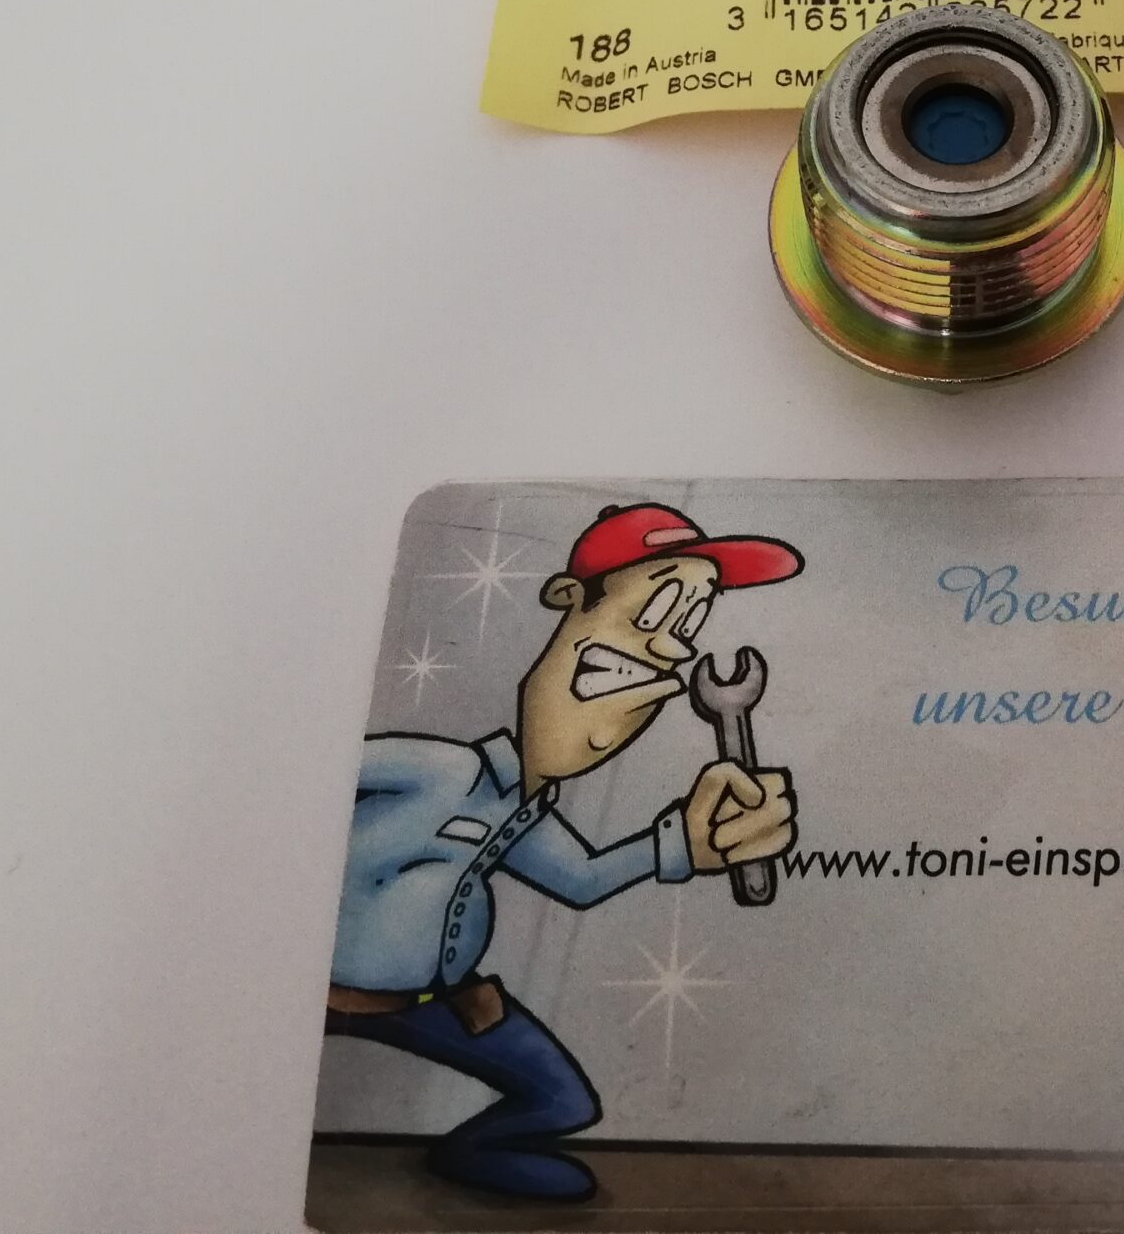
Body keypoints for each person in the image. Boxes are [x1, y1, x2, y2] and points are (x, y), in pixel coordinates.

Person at [326, 502, 802, 1201]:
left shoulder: (524, 813)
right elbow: (313, 779)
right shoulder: (438, 770)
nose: (671, 646)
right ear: (568, 599)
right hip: (315, 995)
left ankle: (469, 1156)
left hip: (442, 1005)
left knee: (566, 1103)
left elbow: (580, 878)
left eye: (690, 620)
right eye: (658, 606)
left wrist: (685, 844)